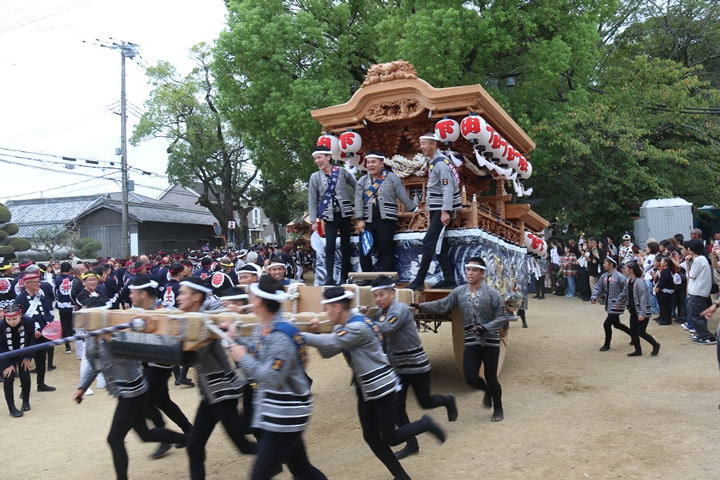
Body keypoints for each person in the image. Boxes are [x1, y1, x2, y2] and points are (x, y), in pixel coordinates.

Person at [303, 287, 445, 480]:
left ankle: (425, 424)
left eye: (326, 308)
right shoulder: (344, 325)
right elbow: (328, 351)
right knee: (370, 436)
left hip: (381, 386)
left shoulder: (357, 326)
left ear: (337, 307)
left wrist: (299, 336)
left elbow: (331, 343)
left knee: (391, 437)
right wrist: (317, 331)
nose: (325, 313)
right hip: (365, 387)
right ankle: (401, 476)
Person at [72, 298, 188, 480]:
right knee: (145, 435)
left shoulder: (119, 332)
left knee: (114, 439)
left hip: (133, 391)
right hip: (123, 392)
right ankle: (191, 439)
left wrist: (112, 337)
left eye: (88, 315)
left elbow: (131, 355)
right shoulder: (92, 337)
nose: (84, 319)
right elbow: (94, 365)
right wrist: (81, 388)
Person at [229, 275, 326, 480]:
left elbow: (272, 377)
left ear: (258, 301)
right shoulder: (264, 326)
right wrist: (235, 339)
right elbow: (257, 352)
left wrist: (242, 358)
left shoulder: (281, 334)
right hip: (277, 410)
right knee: (301, 470)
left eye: (251, 294)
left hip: (285, 413)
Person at [177, 277, 256, 480]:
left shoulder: (206, 320)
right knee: (194, 448)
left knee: (244, 446)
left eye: (183, 293)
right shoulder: (190, 318)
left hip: (223, 393)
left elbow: (193, 352)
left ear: (196, 297)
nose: (178, 297)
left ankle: (290, 454)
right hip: (209, 394)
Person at [412, 257, 510, 422]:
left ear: (482, 273)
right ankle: (486, 390)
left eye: (474, 270)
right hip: (471, 341)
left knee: (491, 378)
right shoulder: (459, 292)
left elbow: (503, 316)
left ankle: (498, 408)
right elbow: (443, 305)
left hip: (490, 342)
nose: (470, 273)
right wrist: (420, 306)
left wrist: (486, 328)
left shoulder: (492, 293)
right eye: (468, 270)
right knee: (470, 378)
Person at [370, 276, 457, 460]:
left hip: (417, 365)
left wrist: (362, 320)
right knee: (397, 409)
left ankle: (447, 400)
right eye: (375, 295)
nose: (378, 299)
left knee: (425, 402)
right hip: (398, 369)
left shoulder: (400, 309)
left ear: (392, 294)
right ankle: (412, 444)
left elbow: (384, 329)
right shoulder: (379, 314)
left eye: (381, 294)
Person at [128, 276, 193, 460]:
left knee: (146, 403)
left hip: (161, 364)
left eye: (133, 293)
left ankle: (164, 437)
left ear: (143, 294)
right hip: (146, 363)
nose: (130, 296)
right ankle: (189, 430)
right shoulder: (136, 312)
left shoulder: (165, 311)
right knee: (163, 401)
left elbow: (182, 330)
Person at [407, 134, 461, 291]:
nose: (421, 147)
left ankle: (419, 279)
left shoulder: (441, 163)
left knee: (429, 241)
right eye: (420, 143)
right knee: (439, 244)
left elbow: (448, 188)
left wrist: (445, 211)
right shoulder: (434, 162)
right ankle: (449, 279)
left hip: (441, 209)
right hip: (436, 208)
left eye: (423, 143)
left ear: (433, 144)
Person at [355, 151, 418, 274]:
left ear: (381, 163)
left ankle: (386, 279)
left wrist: (415, 210)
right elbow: (358, 201)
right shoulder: (362, 181)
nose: (370, 165)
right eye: (368, 162)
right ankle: (367, 278)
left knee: (385, 249)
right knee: (365, 250)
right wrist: (360, 219)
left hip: (386, 220)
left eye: (373, 162)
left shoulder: (392, 178)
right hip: (367, 221)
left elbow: (402, 195)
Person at [308, 145, 357, 286]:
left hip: (345, 214)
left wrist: (357, 204)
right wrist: (313, 220)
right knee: (330, 246)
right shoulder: (315, 177)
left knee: (345, 246)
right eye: (315, 158)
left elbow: (356, 185)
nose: (317, 161)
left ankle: (343, 278)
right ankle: (329, 277)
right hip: (329, 217)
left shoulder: (341, 171)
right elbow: (312, 199)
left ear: (328, 157)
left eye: (319, 157)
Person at [14, 271, 56, 392]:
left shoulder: (39, 296)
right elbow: (18, 318)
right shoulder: (20, 299)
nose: (39, 284)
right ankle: (24, 388)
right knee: (26, 361)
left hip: (43, 332)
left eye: (39, 281)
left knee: (41, 359)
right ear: (28, 284)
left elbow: (46, 312)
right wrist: (31, 331)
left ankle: (41, 383)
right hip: (28, 335)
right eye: (36, 282)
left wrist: (49, 325)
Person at [591, 256, 631, 351]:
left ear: (611, 264)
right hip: (609, 303)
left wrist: (624, 298)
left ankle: (607, 344)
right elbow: (598, 286)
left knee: (607, 324)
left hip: (617, 304)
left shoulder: (620, 277)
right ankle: (634, 335)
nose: (603, 265)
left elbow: (626, 289)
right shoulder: (604, 276)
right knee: (616, 324)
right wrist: (594, 296)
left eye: (605, 263)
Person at [1, 304, 34, 417]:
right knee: (8, 377)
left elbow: (31, 340)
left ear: (20, 315)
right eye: (8, 319)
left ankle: (26, 401)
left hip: (23, 351)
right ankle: (11, 408)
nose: (12, 322)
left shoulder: (29, 322)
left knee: (25, 374)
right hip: (6, 354)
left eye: (14, 319)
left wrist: (27, 357)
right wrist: (7, 364)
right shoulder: (0, 325)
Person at [623, 260, 660, 356]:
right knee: (633, 331)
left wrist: (642, 314)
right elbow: (625, 293)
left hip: (642, 311)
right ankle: (638, 350)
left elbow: (643, 299)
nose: (624, 270)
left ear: (631, 270)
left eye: (626, 268)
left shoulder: (640, 283)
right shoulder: (628, 281)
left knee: (641, 332)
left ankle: (655, 345)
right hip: (633, 310)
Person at [684, 238, 716, 345]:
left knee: (694, 316)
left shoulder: (698, 260)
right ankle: (702, 335)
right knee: (700, 315)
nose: (688, 249)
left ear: (692, 248)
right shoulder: (701, 259)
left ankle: (707, 337)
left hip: (697, 292)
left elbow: (691, 275)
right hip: (701, 292)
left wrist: (688, 262)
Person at [54, 262, 75, 354]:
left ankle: (67, 346)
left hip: (62, 305)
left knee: (64, 325)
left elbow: (55, 293)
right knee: (73, 324)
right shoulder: (73, 279)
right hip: (72, 305)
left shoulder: (57, 280)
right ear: (70, 270)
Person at [653, 256, 675, 326]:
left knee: (665, 306)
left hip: (666, 290)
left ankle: (666, 320)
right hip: (664, 290)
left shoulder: (666, 271)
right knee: (662, 305)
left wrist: (659, 288)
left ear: (666, 263)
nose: (660, 262)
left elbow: (663, 281)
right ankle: (662, 317)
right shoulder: (664, 271)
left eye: (662, 261)